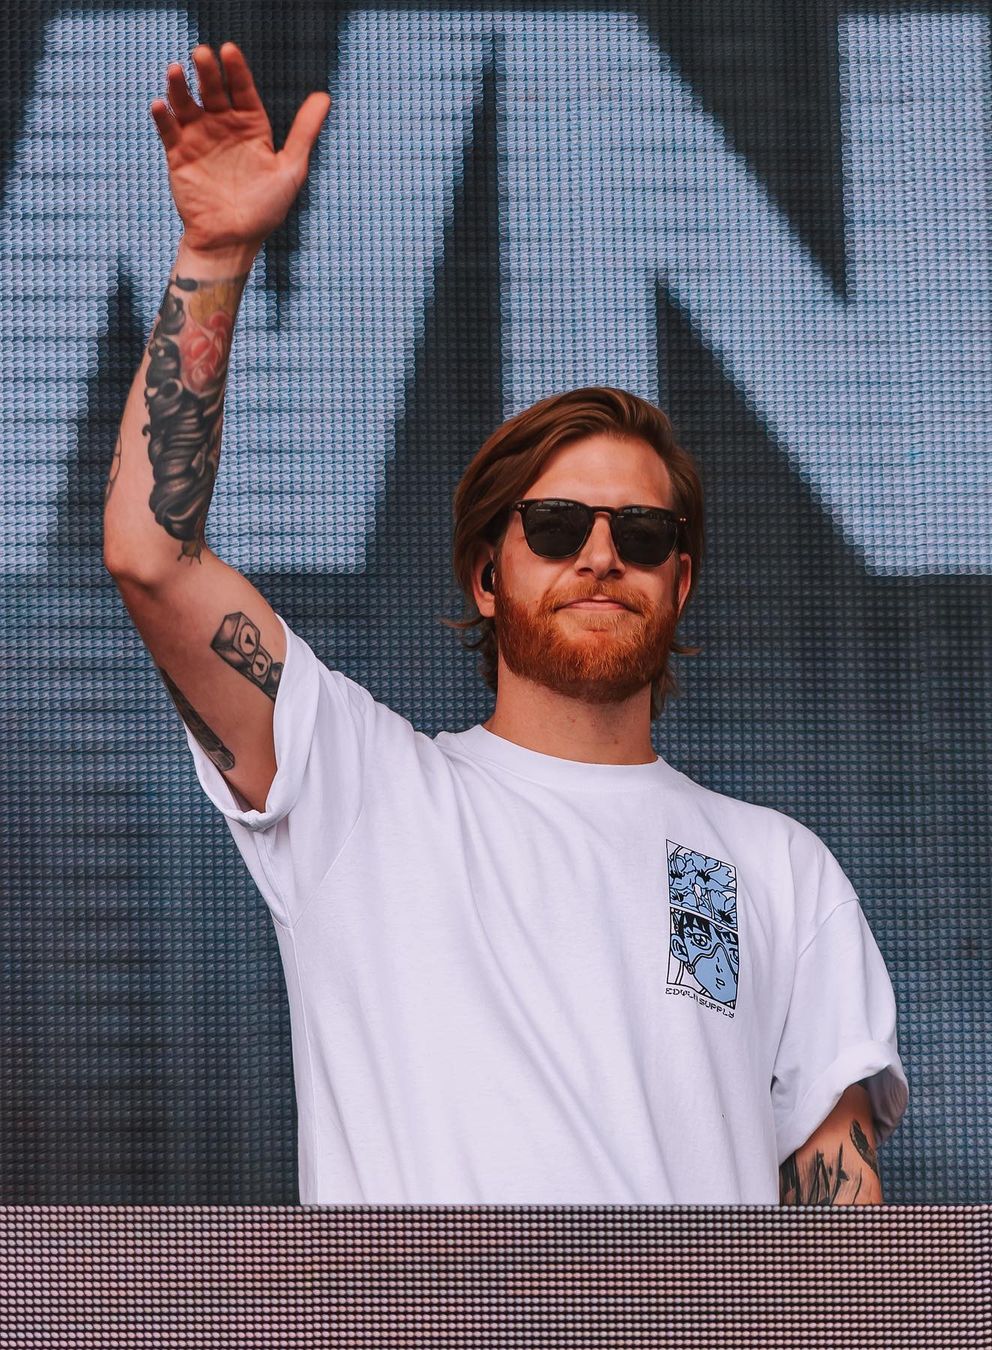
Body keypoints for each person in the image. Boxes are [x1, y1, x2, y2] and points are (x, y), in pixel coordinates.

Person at [104, 42, 909, 1205]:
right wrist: (216, 252)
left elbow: (847, 1234)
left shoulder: (775, 868)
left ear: (681, 581)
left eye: (642, 535)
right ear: (488, 574)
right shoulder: (358, 786)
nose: (600, 555)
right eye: (557, 525)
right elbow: (151, 555)